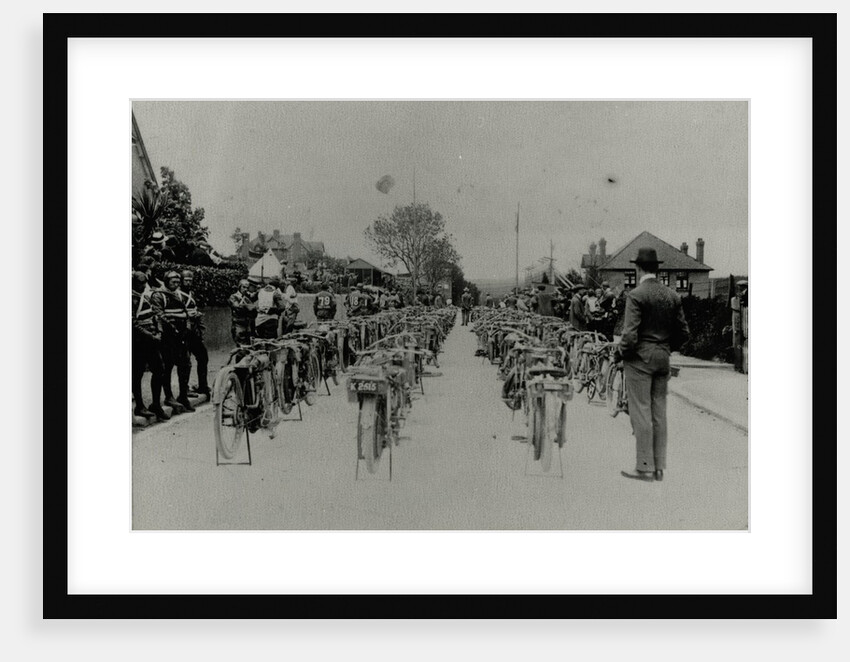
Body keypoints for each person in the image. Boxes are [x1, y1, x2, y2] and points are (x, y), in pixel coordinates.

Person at [619, 248, 690, 483]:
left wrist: (623, 353)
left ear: (637, 268)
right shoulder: (672, 295)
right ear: (657, 269)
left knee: (641, 412)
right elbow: (684, 333)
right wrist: (666, 348)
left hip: (640, 360)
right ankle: (659, 467)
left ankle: (644, 467)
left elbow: (629, 336)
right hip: (663, 359)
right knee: (659, 413)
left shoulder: (636, 295)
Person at [150, 271, 195, 413]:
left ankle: (183, 395)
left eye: (177, 282)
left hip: (181, 336)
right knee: (167, 366)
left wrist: (187, 328)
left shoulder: (181, 295)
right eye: (173, 282)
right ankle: (168, 396)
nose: (176, 285)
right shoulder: (159, 295)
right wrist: (172, 327)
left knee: (185, 365)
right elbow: (159, 314)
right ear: (166, 281)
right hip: (168, 337)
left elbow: (186, 313)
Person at [132, 271, 169, 421]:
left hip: (152, 339)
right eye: (140, 283)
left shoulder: (145, 297)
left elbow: (155, 316)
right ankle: (140, 406)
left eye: (144, 283)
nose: (143, 286)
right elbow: (132, 323)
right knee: (137, 373)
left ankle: (155, 404)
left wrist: (159, 331)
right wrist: (151, 336)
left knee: (159, 370)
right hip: (138, 341)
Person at [180, 269, 210, 398]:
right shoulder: (177, 294)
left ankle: (202, 385)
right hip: (183, 330)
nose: (188, 283)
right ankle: (184, 389)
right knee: (185, 361)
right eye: (185, 280)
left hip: (194, 330)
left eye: (190, 280)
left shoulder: (191, 293)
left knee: (203, 357)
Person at [228, 278, 257, 345]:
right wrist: (247, 307)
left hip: (247, 325)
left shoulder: (247, 299)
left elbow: (253, 311)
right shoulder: (233, 297)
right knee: (241, 347)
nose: (245, 289)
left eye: (247, 288)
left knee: (248, 347)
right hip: (238, 324)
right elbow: (237, 307)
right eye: (244, 287)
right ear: (239, 287)